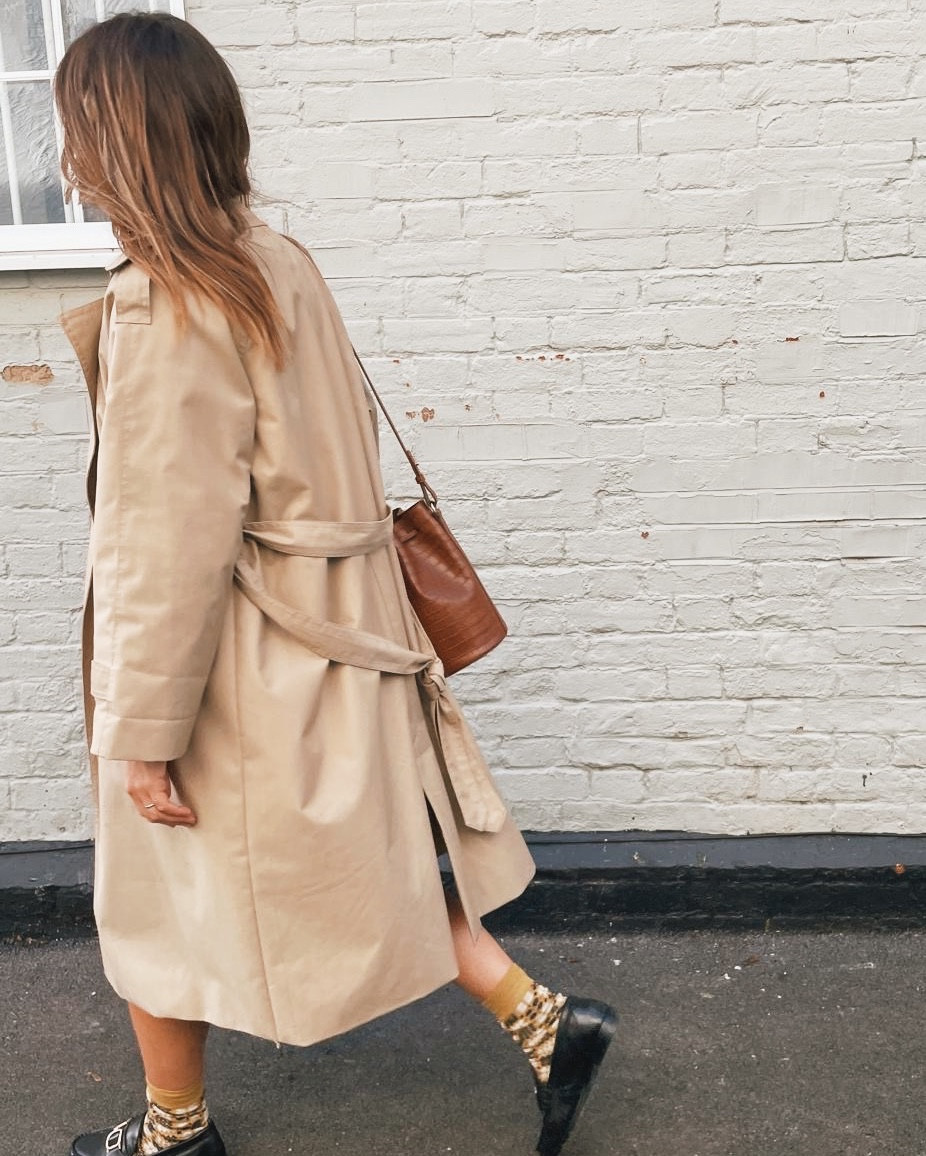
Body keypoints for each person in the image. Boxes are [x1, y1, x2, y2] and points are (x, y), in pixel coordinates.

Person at [55, 13, 617, 1156]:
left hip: (234, 671)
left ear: (112, 144)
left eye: (72, 131)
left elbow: (168, 542)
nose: (63, 157)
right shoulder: (274, 262)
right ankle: (546, 1022)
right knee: (390, 866)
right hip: (338, 643)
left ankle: (175, 1132)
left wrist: (141, 730)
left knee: (153, 903)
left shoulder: (167, 303)